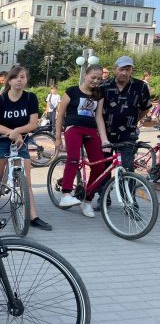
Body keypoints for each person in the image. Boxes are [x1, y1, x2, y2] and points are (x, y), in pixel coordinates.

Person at [0, 66, 52, 230]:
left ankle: (33, 216)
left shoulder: (30, 97)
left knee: (27, 181)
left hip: (20, 142)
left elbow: (32, 123)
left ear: (26, 80)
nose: (19, 80)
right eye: (15, 77)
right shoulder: (1, 100)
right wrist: (11, 132)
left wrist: (17, 132)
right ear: (9, 80)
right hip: (0, 141)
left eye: (22, 77)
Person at [55, 65, 107, 218]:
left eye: (99, 78)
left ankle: (87, 200)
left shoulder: (99, 94)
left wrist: (104, 139)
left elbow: (98, 117)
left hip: (91, 130)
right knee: (73, 158)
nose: (96, 81)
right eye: (93, 77)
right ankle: (65, 194)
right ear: (86, 75)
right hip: (73, 128)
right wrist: (58, 137)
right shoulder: (72, 91)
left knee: (99, 165)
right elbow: (60, 115)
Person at [100, 56, 152, 172]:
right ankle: (102, 190)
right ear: (115, 69)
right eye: (121, 69)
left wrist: (134, 121)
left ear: (131, 71)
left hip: (127, 135)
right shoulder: (104, 87)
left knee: (127, 169)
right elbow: (97, 112)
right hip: (105, 135)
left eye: (128, 69)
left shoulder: (140, 86)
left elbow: (146, 107)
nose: (124, 73)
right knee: (103, 169)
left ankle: (127, 191)